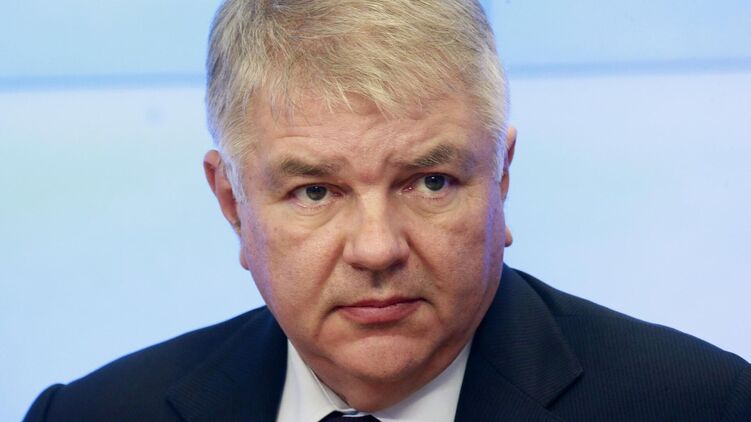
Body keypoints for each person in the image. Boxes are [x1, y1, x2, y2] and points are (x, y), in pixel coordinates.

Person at [24, 1, 751, 421]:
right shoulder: (91, 415)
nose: (376, 250)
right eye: (315, 191)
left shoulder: (702, 406)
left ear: (501, 180)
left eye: (430, 182)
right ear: (231, 204)